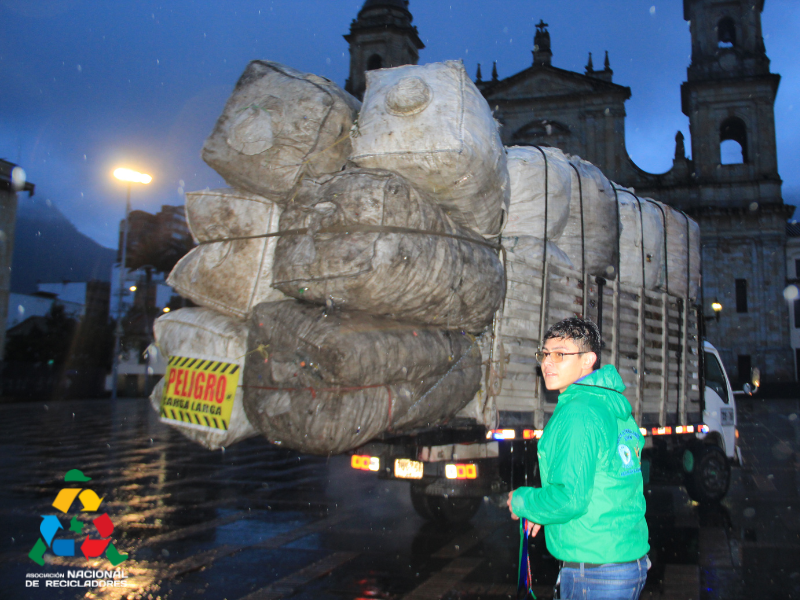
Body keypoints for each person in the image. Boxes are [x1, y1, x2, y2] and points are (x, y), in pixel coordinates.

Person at [507, 316, 649, 599]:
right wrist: (543, 513)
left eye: (560, 355)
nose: (547, 363)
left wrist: (524, 501)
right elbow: (603, 482)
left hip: (596, 571)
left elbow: (571, 498)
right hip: (623, 560)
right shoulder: (607, 402)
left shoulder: (579, 411)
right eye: (544, 354)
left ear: (588, 360)